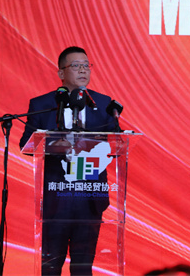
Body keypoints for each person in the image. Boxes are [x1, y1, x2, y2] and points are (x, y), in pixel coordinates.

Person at [19, 46, 118, 275]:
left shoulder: (103, 104)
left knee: (83, 268)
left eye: (86, 65)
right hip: (57, 197)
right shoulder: (42, 104)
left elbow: (116, 142)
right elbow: (26, 144)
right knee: (51, 267)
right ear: (61, 73)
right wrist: (57, 145)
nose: (83, 70)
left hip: (90, 197)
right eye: (75, 66)